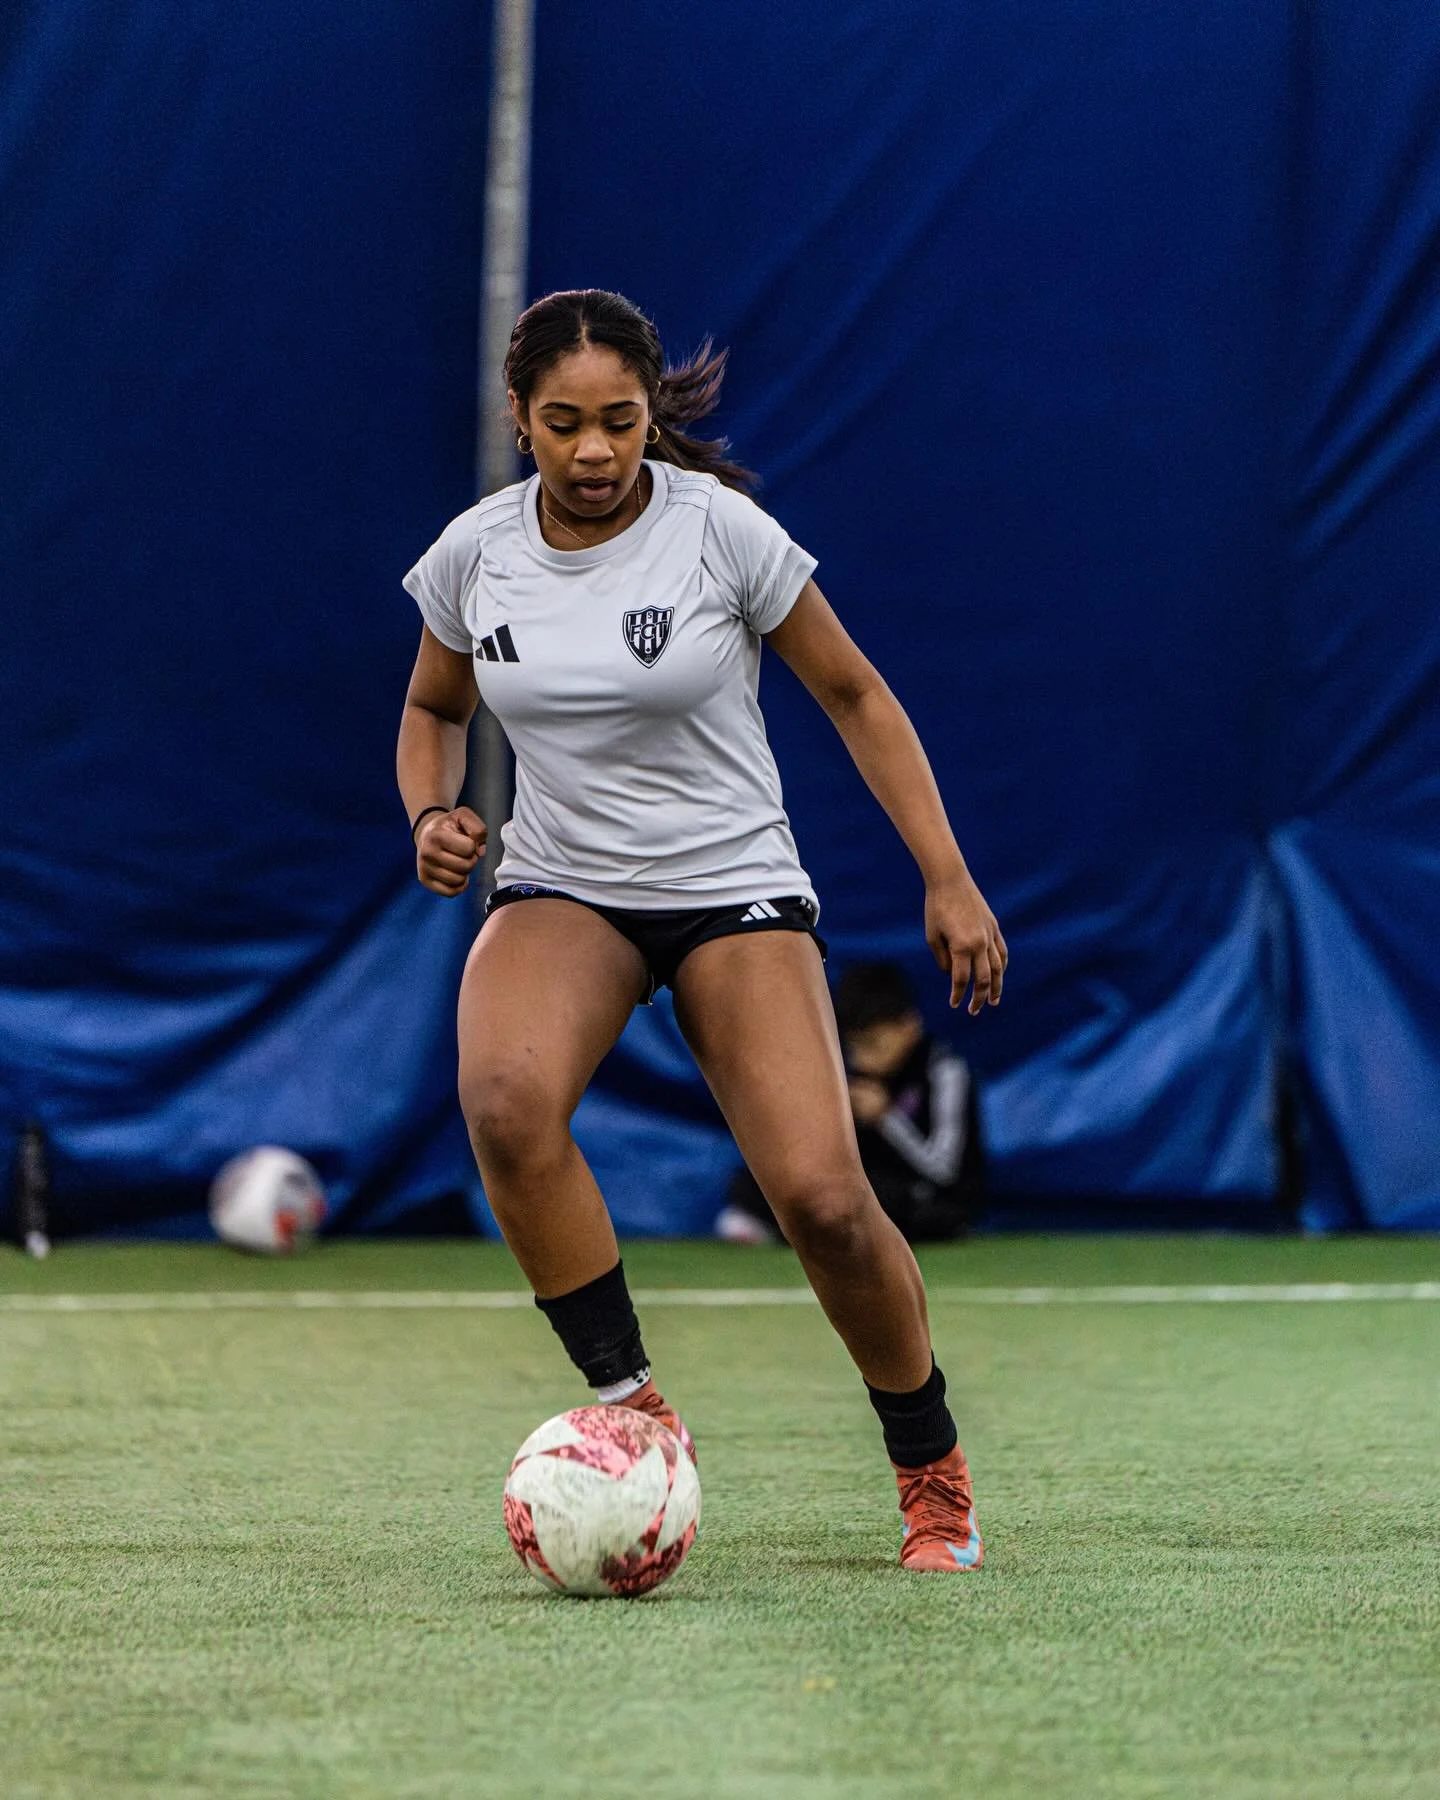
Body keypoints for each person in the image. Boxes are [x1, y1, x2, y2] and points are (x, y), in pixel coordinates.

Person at [396, 289, 1008, 1573]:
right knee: (504, 1103)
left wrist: (947, 878)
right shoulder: (474, 553)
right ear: (519, 418)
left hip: (733, 888)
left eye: (620, 420)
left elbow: (855, 692)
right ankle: (635, 1412)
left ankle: (931, 1470)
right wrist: (432, 814)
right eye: (565, 423)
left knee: (825, 1201)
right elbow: (434, 707)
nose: (595, 451)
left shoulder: (720, 531)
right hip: (564, 886)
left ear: (649, 413)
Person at [717, 961, 983, 1245]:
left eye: (873, 1045)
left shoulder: (944, 1072)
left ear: (909, 1027)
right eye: (854, 1047)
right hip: (869, 1184)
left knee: (889, 1202)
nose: (861, 1059)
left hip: (928, 1197)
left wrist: (886, 1119)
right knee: (783, 1181)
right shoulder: (853, 1073)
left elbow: (944, 1171)